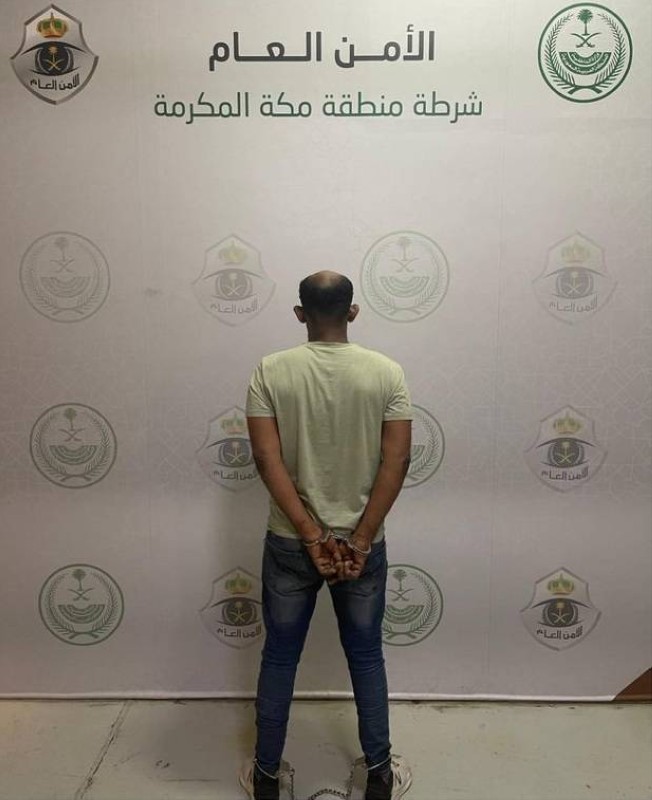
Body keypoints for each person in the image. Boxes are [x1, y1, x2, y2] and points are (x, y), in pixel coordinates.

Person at [239, 271, 413, 800]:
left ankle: (267, 776)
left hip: (290, 543)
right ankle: (378, 774)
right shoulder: (387, 373)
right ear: (353, 312)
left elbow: (266, 459)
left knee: (279, 657)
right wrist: (360, 539)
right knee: (366, 656)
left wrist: (311, 535)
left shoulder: (270, 370)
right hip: (361, 545)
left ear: (300, 314)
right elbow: (397, 462)